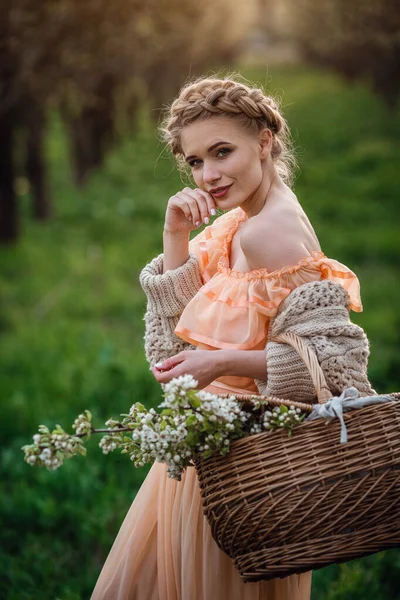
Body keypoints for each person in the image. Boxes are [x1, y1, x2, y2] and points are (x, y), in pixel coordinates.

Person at [91, 75, 375, 599]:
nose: (209, 177)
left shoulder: (270, 233)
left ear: (264, 141)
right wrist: (175, 234)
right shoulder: (239, 222)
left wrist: (220, 366)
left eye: (222, 152)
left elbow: (337, 369)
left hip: (251, 469)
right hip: (209, 450)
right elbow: (173, 344)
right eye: (195, 162)